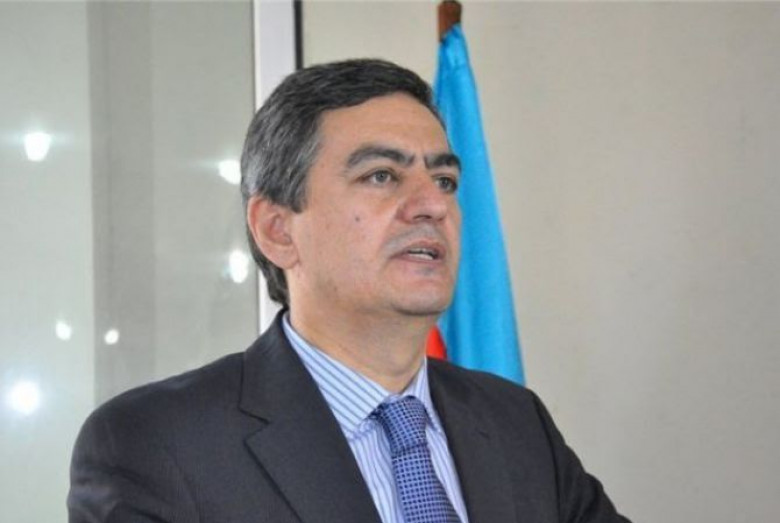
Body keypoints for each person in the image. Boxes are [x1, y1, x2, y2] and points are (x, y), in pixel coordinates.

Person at [68, 59, 631, 523]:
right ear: (277, 230)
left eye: (444, 180)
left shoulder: (515, 423)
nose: (432, 205)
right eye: (381, 176)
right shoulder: (158, 444)